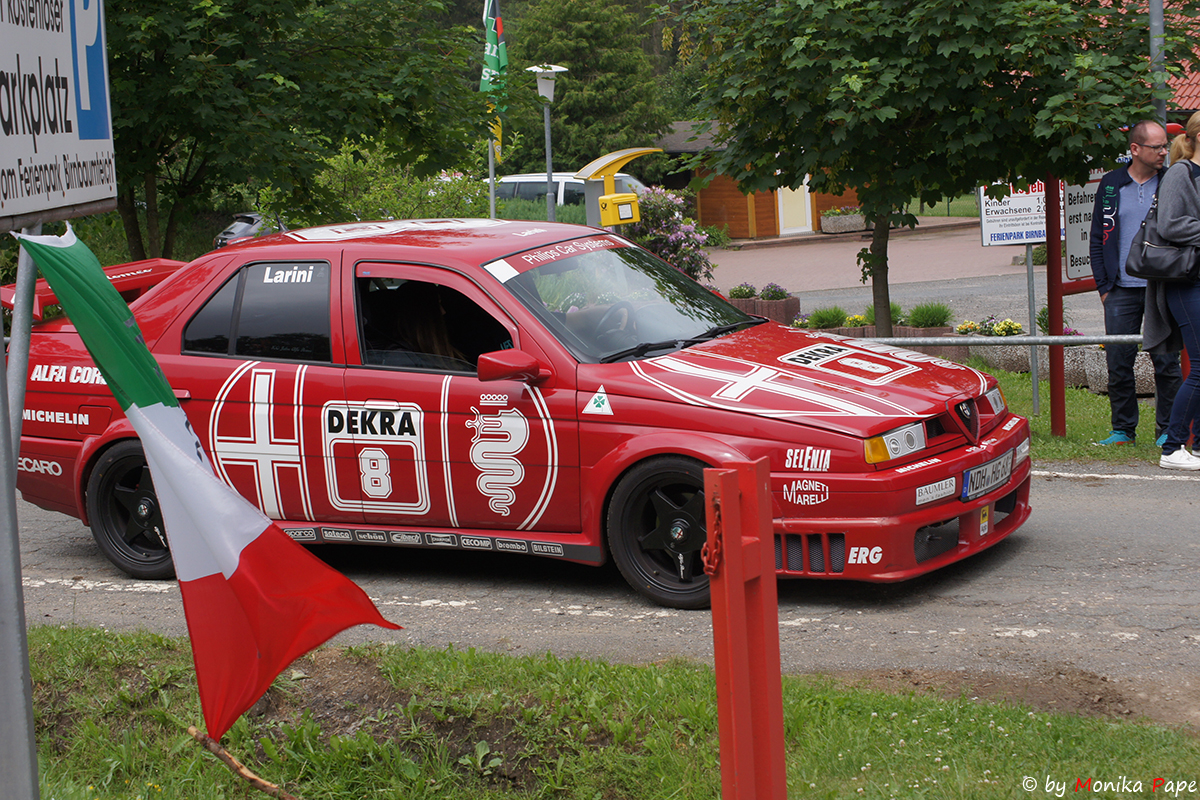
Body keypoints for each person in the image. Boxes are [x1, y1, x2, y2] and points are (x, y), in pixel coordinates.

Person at [1089, 120, 1181, 447]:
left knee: (1167, 362)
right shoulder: (1112, 185)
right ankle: (1123, 430)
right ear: (1135, 149)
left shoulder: (1171, 181)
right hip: (1120, 290)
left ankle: (1168, 430)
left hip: (1162, 287)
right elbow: (1098, 237)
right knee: (1119, 362)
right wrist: (1104, 286)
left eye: (1165, 146)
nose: (1163, 152)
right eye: (1156, 147)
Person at [1146, 112, 1200, 470]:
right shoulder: (1182, 173)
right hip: (1187, 282)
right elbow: (1170, 224)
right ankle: (1173, 446)